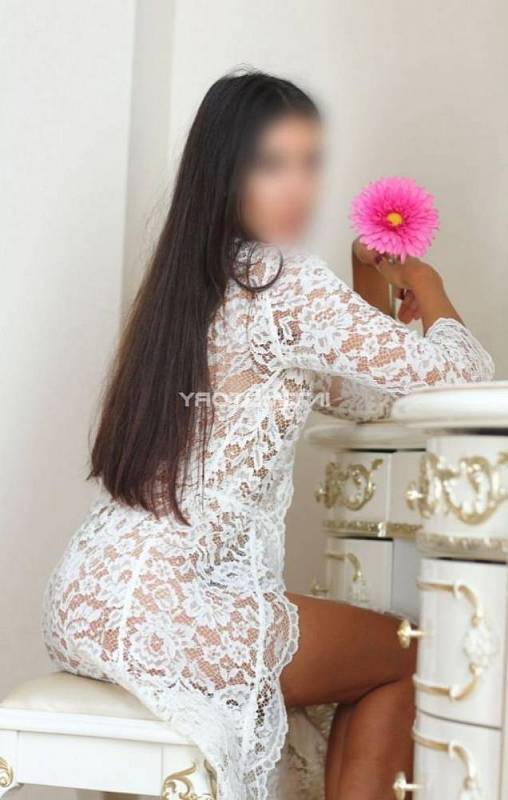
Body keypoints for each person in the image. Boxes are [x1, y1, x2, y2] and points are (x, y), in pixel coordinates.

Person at [43, 70, 494, 800]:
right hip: (165, 608)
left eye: (309, 163)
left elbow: (361, 399)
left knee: (370, 657)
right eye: (270, 164)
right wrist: (430, 287)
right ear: (225, 172)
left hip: (90, 596)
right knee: (409, 655)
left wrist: (366, 283)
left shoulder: (199, 281)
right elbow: (459, 377)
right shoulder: (279, 278)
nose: (298, 188)